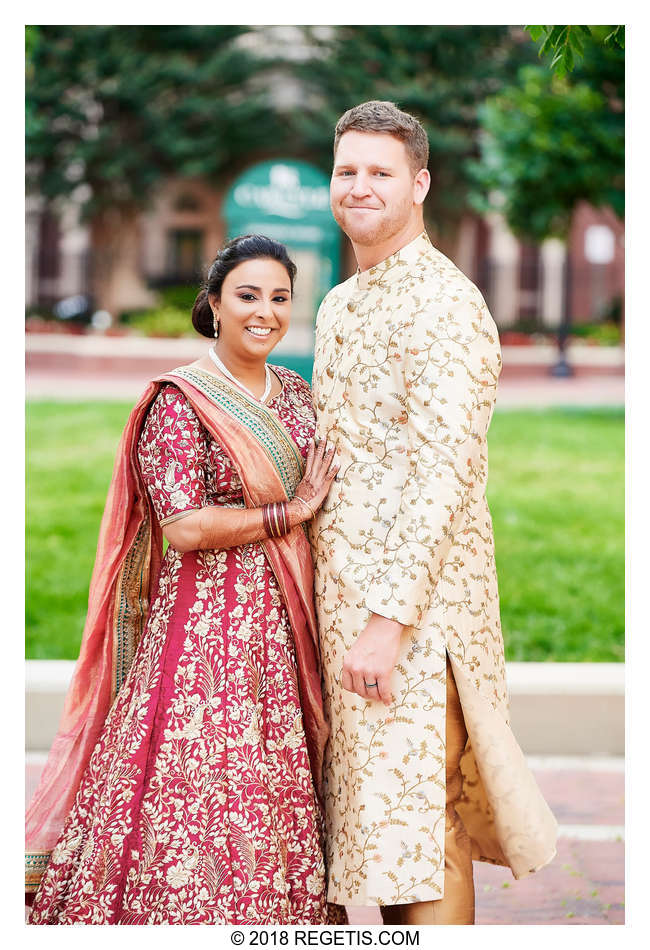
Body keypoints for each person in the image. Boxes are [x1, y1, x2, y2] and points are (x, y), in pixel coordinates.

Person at [25, 234, 344, 925]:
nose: (265, 313)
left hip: (284, 632)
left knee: (269, 779)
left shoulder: (297, 395)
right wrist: (290, 511)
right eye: (248, 296)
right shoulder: (181, 398)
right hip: (203, 631)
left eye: (280, 298)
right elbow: (184, 527)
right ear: (215, 304)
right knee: (193, 778)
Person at [310, 100, 558, 925]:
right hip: (339, 607)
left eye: (381, 172)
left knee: (423, 838)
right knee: (369, 840)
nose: (360, 186)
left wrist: (390, 621)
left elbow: (447, 474)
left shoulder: (446, 304)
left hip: (417, 620)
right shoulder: (343, 303)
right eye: (348, 170)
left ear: (420, 183)